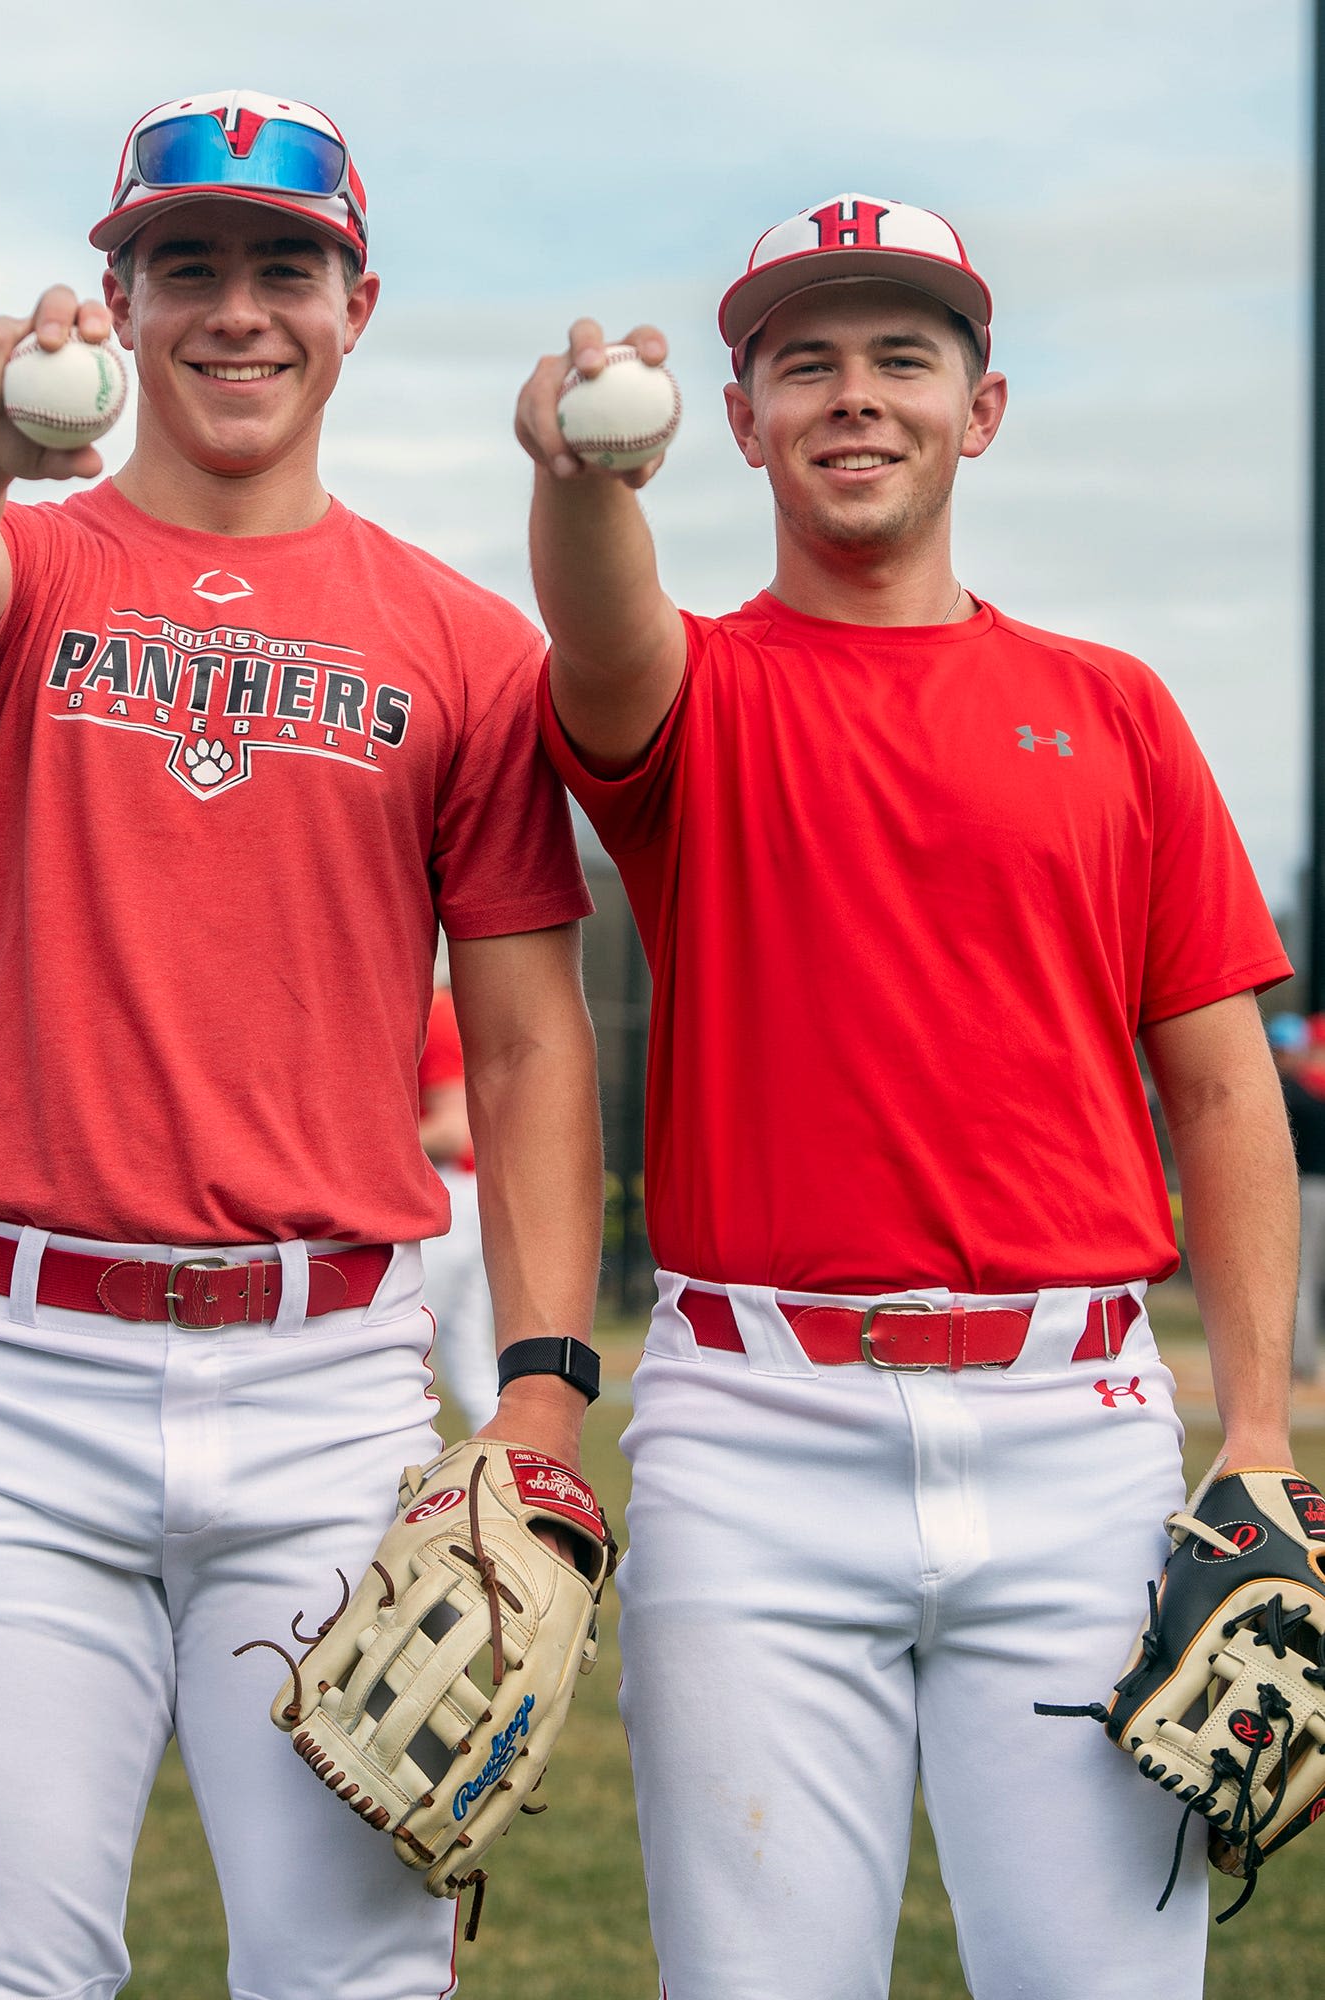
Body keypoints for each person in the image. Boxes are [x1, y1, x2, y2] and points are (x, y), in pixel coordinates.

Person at [0, 89, 603, 2000]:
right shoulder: (22, 579)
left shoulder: (464, 643)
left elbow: (522, 1050)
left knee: (351, 1980)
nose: (239, 310)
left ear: (357, 306)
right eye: (188, 265)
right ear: (116, 296)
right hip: (22, 1388)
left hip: (331, 1397)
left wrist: (540, 1389)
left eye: (288, 266)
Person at [515, 194, 1299, 1996]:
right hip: (755, 1434)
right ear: (737, 419)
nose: (853, 397)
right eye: (805, 364)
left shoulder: (1112, 709)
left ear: (984, 406)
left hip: (1078, 1438)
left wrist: (1256, 1439)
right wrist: (574, 478)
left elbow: (1224, 1088)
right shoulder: (694, 691)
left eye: (899, 358)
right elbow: (598, 625)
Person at [418, 974, 500, 1430]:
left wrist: (357, 1147)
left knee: (405, 1350)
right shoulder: (437, 1006)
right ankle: (504, 1483)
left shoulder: (437, 1009)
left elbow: (452, 1132)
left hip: (446, 1198)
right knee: (473, 1366)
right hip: (459, 1199)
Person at [1268, 1011, 1325, 1380]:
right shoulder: (1312, 1095)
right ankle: (1303, 1358)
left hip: (1302, 1190)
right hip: (1315, 1189)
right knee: (1310, 1275)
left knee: (1298, 1275)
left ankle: (1300, 1361)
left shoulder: (1287, 1095)